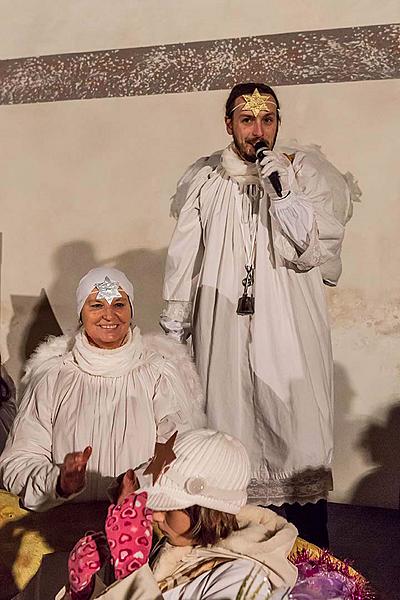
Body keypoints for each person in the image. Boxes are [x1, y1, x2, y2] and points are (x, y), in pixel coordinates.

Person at [160, 82, 355, 547]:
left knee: (295, 423)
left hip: (290, 321)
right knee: (230, 422)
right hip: (223, 321)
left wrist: (284, 192)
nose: (258, 130)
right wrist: (174, 331)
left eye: (267, 120)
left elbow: (310, 252)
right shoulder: (206, 182)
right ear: (228, 124)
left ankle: (310, 558)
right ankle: (235, 554)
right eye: (247, 120)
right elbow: (184, 258)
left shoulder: (302, 176)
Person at [0, 267, 205, 512]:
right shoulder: (53, 376)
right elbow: (17, 462)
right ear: (81, 313)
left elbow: (183, 450)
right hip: (58, 529)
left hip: (138, 528)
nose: (109, 315)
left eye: (118, 304)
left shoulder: (158, 374)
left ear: (131, 311)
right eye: (96, 305)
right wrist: (58, 481)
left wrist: (139, 484)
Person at [60, 428, 298, 599]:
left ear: (209, 513)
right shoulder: (168, 548)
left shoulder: (243, 579)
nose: (155, 516)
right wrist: (87, 590)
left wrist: (132, 573)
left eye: (168, 508)